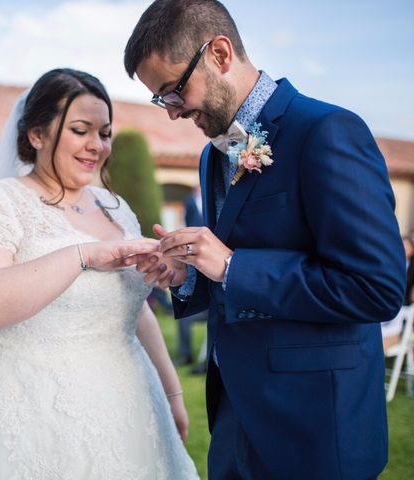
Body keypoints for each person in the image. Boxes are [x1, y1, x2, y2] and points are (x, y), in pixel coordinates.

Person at [123, 1, 405, 479]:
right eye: (161, 101)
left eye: (173, 92)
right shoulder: (213, 157)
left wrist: (234, 266)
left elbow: (376, 287)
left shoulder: (327, 131)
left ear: (219, 53)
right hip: (235, 422)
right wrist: (190, 273)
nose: (172, 113)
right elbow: (231, 274)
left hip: (315, 428)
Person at [0, 69, 199, 479]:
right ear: (37, 134)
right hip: (27, 405)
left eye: (104, 133)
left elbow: (131, 310)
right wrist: (83, 255)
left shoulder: (114, 207)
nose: (96, 146)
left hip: (129, 402)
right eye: (80, 130)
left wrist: (172, 391)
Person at [177, 186, 208, 372]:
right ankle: (185, 354)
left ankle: (205, 361)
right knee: (184, 316)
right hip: (192, 257)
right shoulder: (189, 202)